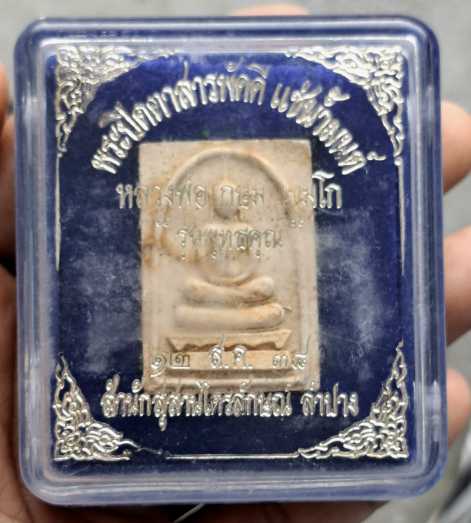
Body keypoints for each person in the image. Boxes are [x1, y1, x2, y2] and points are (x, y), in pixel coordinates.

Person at [1, 4, 471, 522]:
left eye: (232, 199)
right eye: (220, 199)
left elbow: (253, 278)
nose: (225, 207)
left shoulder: (249, 228)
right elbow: (196, 274)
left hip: (245, 304)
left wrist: (246, 288)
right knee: (196, 300)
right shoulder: (205, 231)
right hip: (206, 306)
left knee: (263, 299)